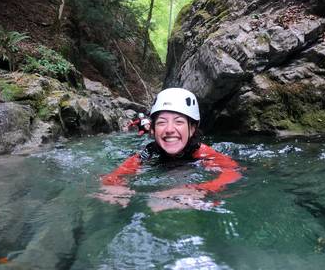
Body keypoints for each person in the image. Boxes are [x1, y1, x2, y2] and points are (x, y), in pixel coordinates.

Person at [96, 88, 243, 212]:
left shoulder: (202, 153)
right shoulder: (148, 153)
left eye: (179, 122)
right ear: (152, 130)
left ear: (192, 129)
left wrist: (200, 189)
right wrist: (114, 187)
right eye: (161, 122)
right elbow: (117, 175)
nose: (169, 130)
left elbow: (233, 172)